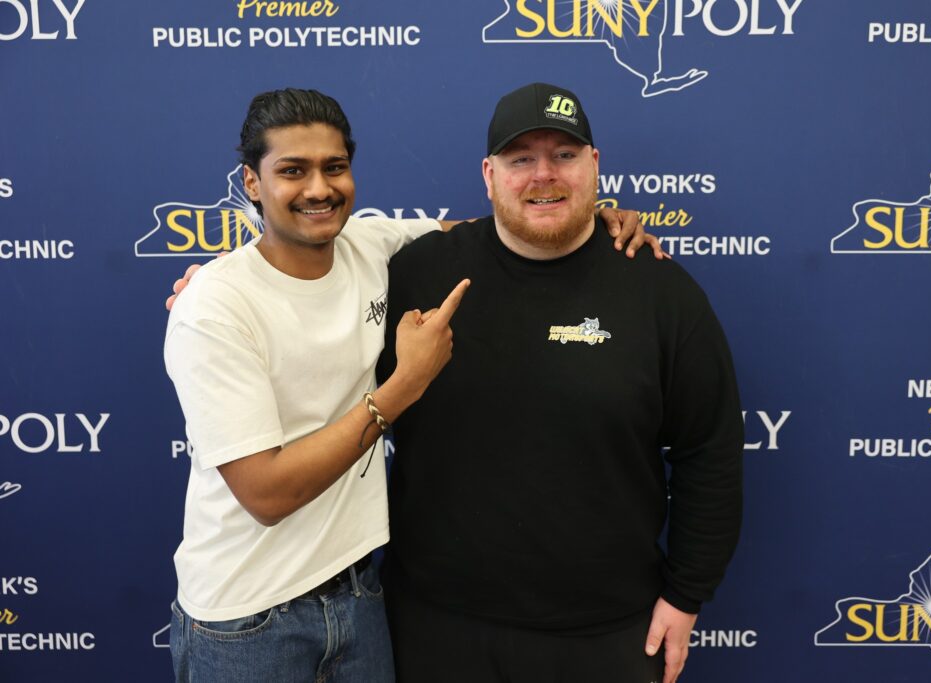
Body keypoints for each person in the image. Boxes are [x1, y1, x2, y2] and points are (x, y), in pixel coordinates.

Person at [162, 87, 657, 683]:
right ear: (251, 181)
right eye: (292, 171)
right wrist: (405, 385)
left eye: (334, 167)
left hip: (361, 595)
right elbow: (266, 495)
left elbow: (501, 224)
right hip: (249, 621)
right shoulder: (215, 307)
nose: (318, 189)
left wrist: (592, 217)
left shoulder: (372, 247)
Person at [377, 83, 744, 683]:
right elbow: (307, 315)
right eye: (521, 159)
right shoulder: (418, 274)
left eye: (564, 155)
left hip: (609, 633)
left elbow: (712, 453)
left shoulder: (661, 293)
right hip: (434, 625)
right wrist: (220, 290)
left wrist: (686, 595)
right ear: (489, 175)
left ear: (594, 166)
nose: (543, 175)